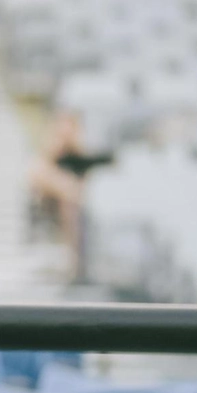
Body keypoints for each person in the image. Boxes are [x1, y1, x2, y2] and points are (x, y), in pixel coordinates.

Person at [27, 109, 113, 279]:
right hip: (48, 227)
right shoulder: (43, 163)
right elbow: (39, 176)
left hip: (73, 233)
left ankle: (76, 264)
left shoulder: (79, 161)